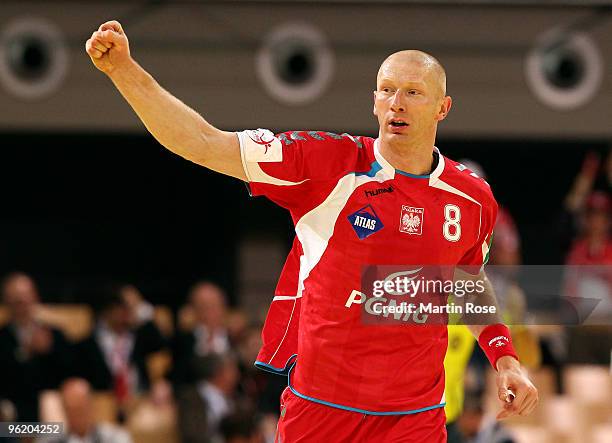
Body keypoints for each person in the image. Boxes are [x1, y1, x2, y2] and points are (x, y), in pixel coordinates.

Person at [85, 22, 538, 441]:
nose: (397, 103)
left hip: (415, 416)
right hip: (321, 408)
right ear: (374, 101)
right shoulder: (327, 165)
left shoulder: (473, 198)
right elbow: (203, 142)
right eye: (386, 90)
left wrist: (505, 358)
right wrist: (123, 71)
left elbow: (466, 281)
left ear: (443, 107)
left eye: (413, 92)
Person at [73, 284, 166, 404]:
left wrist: (144, 311)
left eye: (131, 308)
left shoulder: (142, 337)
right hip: (102, 404)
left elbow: (164, 347)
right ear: (108, 309)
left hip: (139, 402)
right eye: (122, 307)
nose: (127, 313)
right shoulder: (87, 345)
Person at [0, 272, 72, 421]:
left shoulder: (54, 335)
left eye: (25, 296)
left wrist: (49, 351)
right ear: (6, 302)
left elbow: (71, 374)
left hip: (52, 415)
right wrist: (25, 353)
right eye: (15, 298)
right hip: (12, 418)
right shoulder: (2, 338)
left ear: (35, 296)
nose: (22, 302)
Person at [173, 281, 231, 386]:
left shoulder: (235, 339)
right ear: (194, 310)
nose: (209, 312)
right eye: (203, 307)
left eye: (214, 305)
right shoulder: (183, 341)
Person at [39, 378, 132, 443]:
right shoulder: (49, 440)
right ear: (64, 410)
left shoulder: (115, 437)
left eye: (80, 410)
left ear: (92, 407)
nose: (76, 417)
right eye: (71, 410)